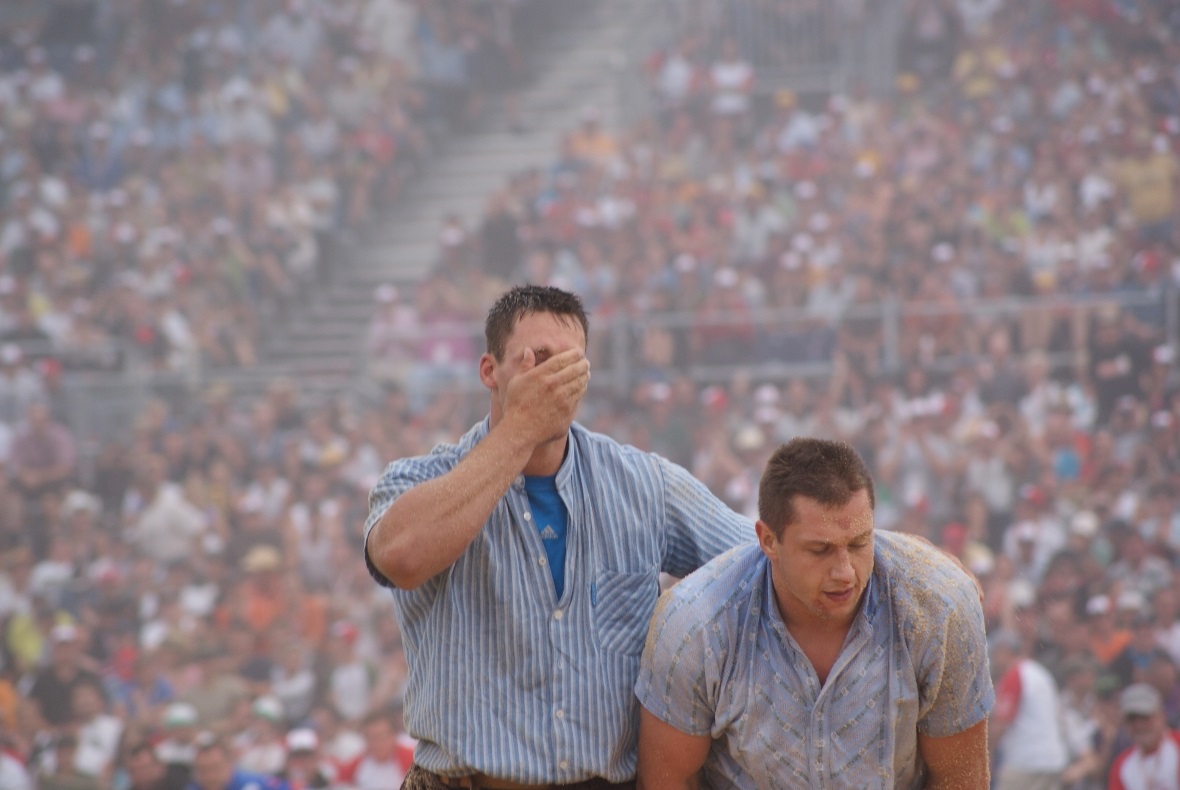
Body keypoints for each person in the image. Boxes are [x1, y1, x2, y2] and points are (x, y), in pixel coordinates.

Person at [364, 285, 752, 787]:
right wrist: (520, 427)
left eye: (571, 365)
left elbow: (763, 559)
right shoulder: (419, 478)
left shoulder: (643, 484)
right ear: (490, 371)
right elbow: (400, 556)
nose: (555, 379)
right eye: (539, 360)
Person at [635, 438, 994, 788]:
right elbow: (669, 780)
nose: (845, 572)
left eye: (859, 544)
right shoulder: (695, 626)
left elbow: (960, 778)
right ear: (768, 541)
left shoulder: (938, 609)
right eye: (820, 550)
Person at [1108, 682, 1180, 790]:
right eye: (1132, 720)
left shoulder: (1176, 746)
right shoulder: (1121, 764)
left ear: (1161, 716)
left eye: (1145, 717)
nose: (1139, 725)